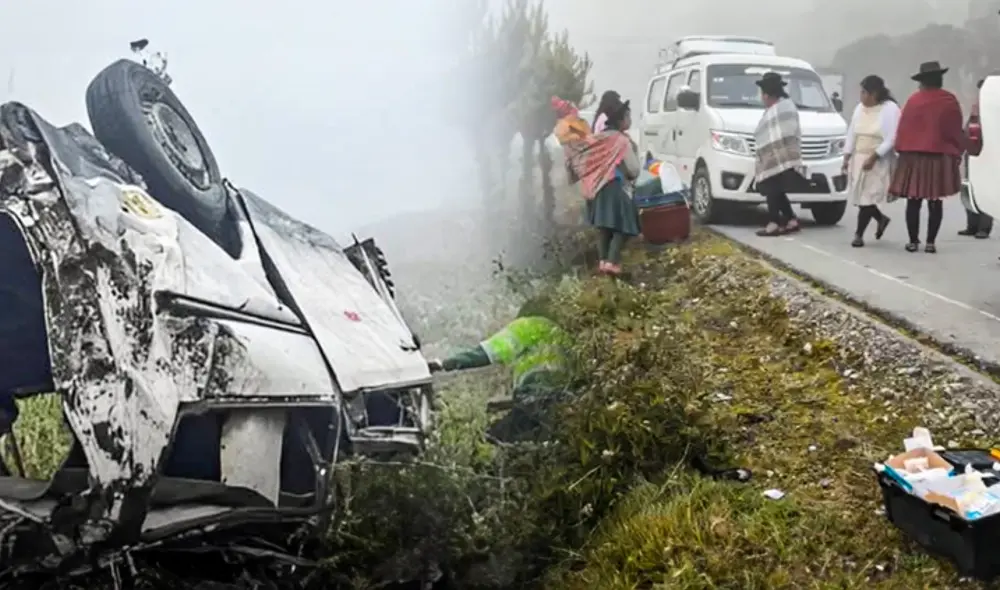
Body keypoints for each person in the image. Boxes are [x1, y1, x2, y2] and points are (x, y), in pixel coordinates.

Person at [428, 296, 571, 442]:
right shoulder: (563, 337)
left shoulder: (528, 326)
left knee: (489, 441)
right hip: (563, 405)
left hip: (532, 396)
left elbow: (487, 353)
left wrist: (445, 364)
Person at [889, 61, 966, 253]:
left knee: (913, 200)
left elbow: (903, 129)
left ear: (922, 81)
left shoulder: (914, 101)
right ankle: (930, 243)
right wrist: (958, 150)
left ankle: (913, 241)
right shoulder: (949, 100)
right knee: (934, 200)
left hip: (913, 157)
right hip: (938, 158)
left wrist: (901, 151)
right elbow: (954, 129)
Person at [562, 95, 640, 275]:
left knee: (604, 228)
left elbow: (580, 153)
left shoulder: (598, 139)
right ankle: (612, 262)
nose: (630, 120)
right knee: (625, 223)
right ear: (620, 120)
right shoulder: (621, 141)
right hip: (612, 186)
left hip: (594, 189)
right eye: (628, 117)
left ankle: (603, 262)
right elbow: (634, 170)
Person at [842, 75, 901, 247]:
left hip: (878, 158)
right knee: (861, 197)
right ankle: (880, 219)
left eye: (864, 92)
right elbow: (852, 133)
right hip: (859, 157)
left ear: (874, 93)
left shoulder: (890, 109)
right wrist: (846, 156)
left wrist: (875, 156)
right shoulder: (860, 109)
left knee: (866, 198)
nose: (861, 96)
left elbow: (891, 138)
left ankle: (858, 234)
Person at [753, 72, 804, 237]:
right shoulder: (779, 107)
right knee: (775, 188)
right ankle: (791, 220)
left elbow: (786, 131)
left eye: (762, 94)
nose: (762, 98)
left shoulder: (783, 107)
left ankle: (774, 223)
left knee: (771, 187)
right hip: (778, 155)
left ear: (767, 94)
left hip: (782, 155)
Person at [960, 78, 992, 239]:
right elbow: (968, 129)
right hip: (972, 153)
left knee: (985, 190)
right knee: (970, 188)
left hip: (989, 154)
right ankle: (972, 225)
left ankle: (984, 227)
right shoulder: (976, 108)